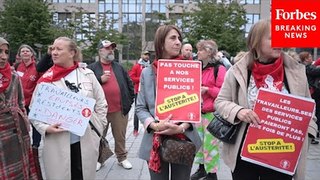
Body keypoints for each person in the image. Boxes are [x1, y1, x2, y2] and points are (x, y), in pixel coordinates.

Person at [214, 19, 318, 180]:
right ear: (256, 41)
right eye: (272, 38)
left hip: (283, 151)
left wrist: (308, 133)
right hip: (245, 152)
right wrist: (239, 111)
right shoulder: (238, 71)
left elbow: (309, 108)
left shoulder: (296, 71)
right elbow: (220, 102)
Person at [30, 37, 108, 179]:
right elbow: (34, 112)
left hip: (86, 141)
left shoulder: (87, 75)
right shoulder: (45, 81)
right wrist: (45, 129)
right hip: (57, 144)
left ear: (72, 53)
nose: (54, 52)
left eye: (59, 49)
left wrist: (99, 127)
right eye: (52, 49)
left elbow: (101, 103)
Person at [135, 24, 202, 180]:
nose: (178, 42)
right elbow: (140, 107)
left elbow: (197, 104)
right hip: (155, 139)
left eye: (179, 38)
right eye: (173, 38)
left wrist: (182, 127)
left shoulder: (190, 69)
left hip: (184, 138)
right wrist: (155, 125)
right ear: (161, 43)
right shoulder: (147, 73)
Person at [87, 39, 134, 171]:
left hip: (119, 109)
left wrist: (129, 102)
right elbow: (86, 87)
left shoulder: (119, 67)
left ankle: (122, 158)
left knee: (120, 136)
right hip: (99, 111)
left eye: (112, 48)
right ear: (100, 51)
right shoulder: (92, 68)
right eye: (107, 48)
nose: (111, 50)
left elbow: (129, 84)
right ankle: (99, 159)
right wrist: (99, 80)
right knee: (99, 136)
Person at [0, 37, 38, 179]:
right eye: (0, 51)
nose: (3, 56)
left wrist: (24, 122)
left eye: (6, 52)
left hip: (17, 134)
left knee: (19, 173)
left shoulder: (14, 76)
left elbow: (21, 103)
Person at [190, 40, 227, 180]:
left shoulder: (219, 68)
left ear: (209, 52)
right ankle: (201, 169)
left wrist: (207, 90)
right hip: (198, 113)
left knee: (210, 146)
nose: (197, 52)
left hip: (212, 114)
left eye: (201, 50)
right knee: (198, 143)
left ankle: (212, 174)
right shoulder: (197, 67)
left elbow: (224, 92)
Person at [15, 44, 43, 179]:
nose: (25, 53)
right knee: (22, 124)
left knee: (35, 125)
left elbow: (42, 83)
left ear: (32, 54)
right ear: (19, 55)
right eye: (22, 51)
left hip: (33, 102)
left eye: (27, 51)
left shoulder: (36, 67)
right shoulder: (17, 67)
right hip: (19, 102)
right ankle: (24, 144)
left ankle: (35, 145)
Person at [299, 51, 320, 144]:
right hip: (311, 93)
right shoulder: (307, 67)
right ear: (306, 59)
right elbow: (316, 71)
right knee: (313, 113)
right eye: (309, 56)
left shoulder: (306, 67)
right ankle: (312, 133)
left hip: (312, 93)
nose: (311, 57)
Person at [129, 50, 151, 137]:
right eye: (145, 55)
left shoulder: (150, 66)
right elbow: (132, 77)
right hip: (138, 91)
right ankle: (135, 129)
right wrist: (142, 79)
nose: (147, 56)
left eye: (148, 55)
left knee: (149, 110)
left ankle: (149, 128)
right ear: (141, 55)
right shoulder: (137, 66)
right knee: (137, 110)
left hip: (148, 92)